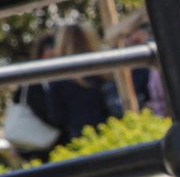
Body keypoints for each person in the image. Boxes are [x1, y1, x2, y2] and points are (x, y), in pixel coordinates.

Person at [16, 20, 121, 159]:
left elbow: (56, 117)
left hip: (80, 143)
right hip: (114, 138)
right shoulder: (108, 73)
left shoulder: (60, 79)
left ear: (62, 43)